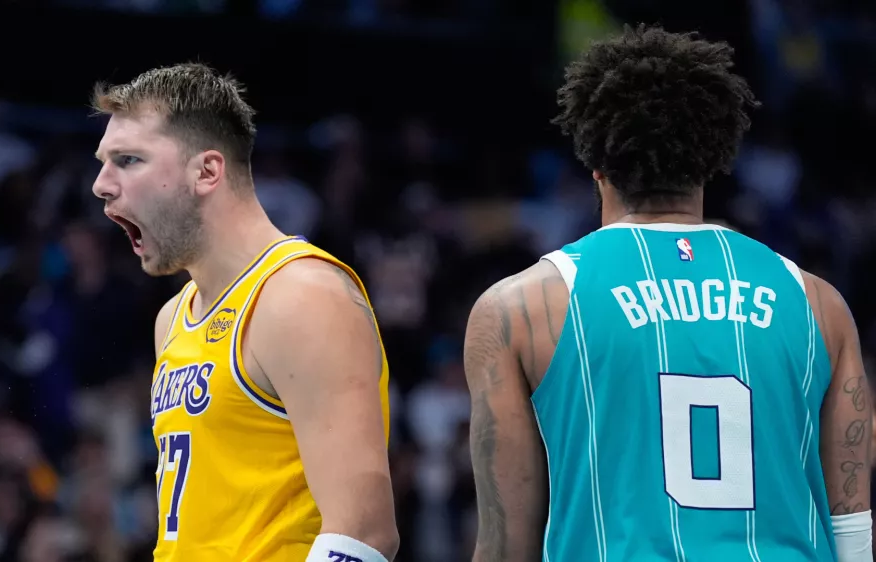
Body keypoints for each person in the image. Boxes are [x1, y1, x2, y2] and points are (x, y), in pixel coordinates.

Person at [463, 24, 872, 562]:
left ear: (595, 163)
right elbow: (854, 531)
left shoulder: (519, 308)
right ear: (712, 157)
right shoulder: (819, 303)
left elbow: (505, 545)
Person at [91, 63, 398, 562]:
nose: (101, 185)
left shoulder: (301, 296)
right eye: (103, 162)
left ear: (208, 171)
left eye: (128, 160)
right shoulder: (173, 317)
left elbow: (362, 533)